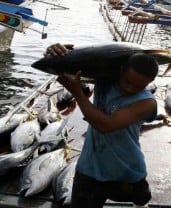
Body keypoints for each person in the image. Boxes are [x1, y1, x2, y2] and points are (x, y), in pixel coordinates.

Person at [45, 43, 158, 208]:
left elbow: (105, 125)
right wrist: (54, 53)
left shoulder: (146, 102)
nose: (129, 88)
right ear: (120, 71)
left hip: (126, 168)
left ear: (149, 83)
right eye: (127, 81)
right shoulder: (104, 80)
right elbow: (63, 69)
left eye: (138, 86)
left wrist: (78, 93)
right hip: (90, 168)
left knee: (142, 198)